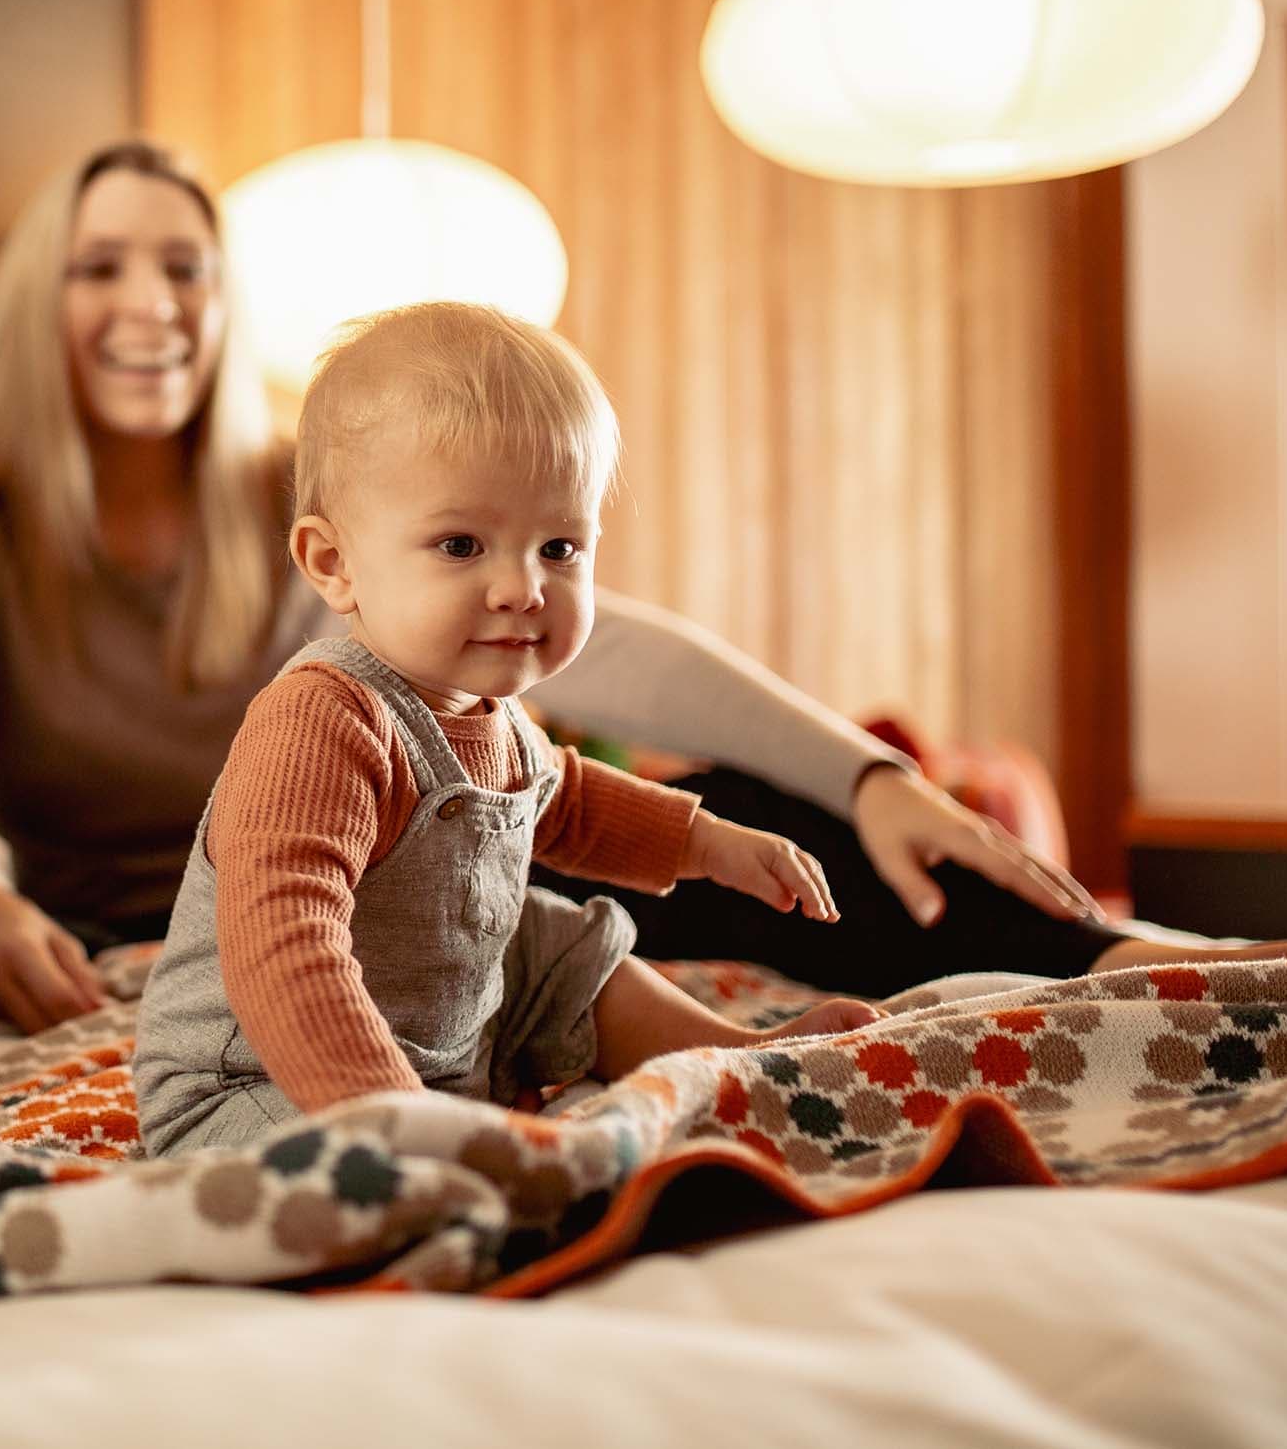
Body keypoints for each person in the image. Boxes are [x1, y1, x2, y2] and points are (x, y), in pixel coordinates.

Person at [0, 140, 1287, 1028]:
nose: (149, 301)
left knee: (741, 803)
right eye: (100, 263)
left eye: (184, 261)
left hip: (424, 855)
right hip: (189, 927)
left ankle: (1136, 956)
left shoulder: (305, 496)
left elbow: (605, 653)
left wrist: (869, 773)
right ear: (34, 302)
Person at [135, 306, 880, 1153]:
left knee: (550, 938)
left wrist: (707, 842)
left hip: (442, 1045)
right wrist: (392, 1118)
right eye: (461, 545)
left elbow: (571, 803)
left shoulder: (499, 720)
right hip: (257, 1080)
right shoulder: (322, 720)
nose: (522, 587)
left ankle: (735, 1060)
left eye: (560, 547)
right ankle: (413, 1165)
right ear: (334, 565)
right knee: (349, 1180)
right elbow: (282, 942)